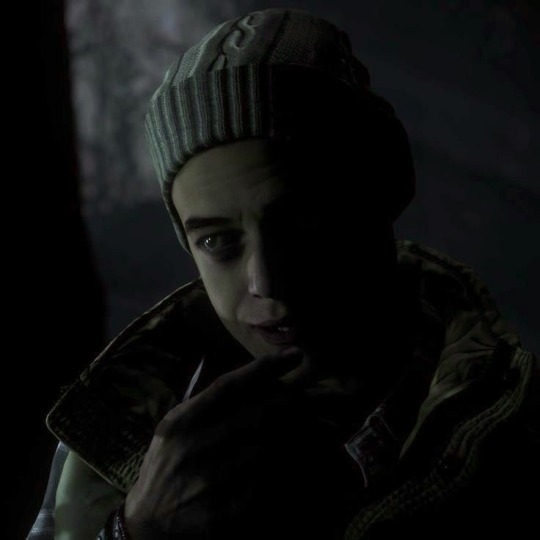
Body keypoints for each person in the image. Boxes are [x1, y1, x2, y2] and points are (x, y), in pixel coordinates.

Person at [29, 7, 538, 540]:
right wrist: (135, 530)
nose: (266, 283)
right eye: (217, 242)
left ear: (382, 196)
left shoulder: (515, 441)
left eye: (302, 227)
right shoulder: (119, 431)